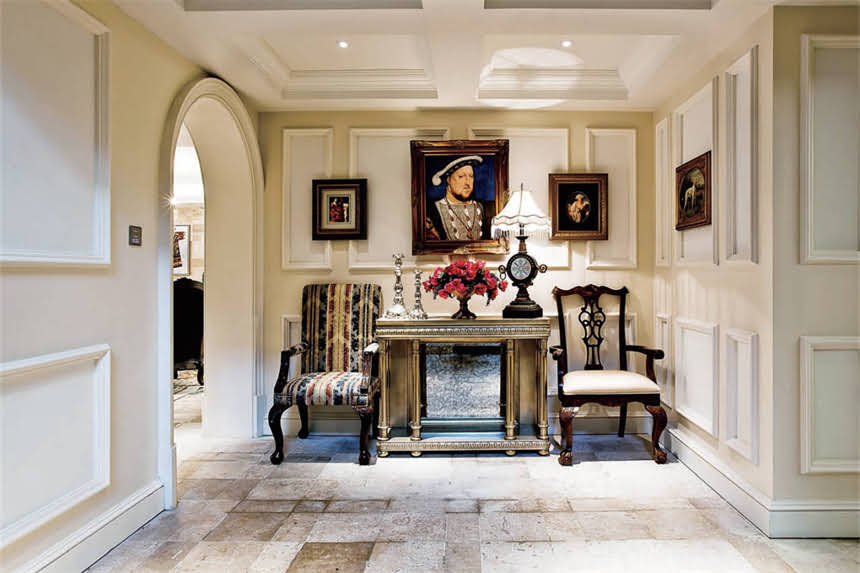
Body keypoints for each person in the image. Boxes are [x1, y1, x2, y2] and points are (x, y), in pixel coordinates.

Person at [425, 155, 485, 241]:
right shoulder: (433, 210)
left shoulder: (480, 207)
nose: (468, 182)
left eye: (471, 176)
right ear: (448, 180)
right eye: (461, 176)